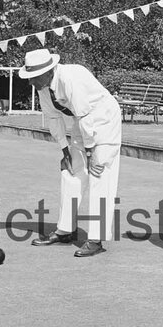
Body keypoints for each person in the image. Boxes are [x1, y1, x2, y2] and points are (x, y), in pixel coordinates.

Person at [18, 48, 122, 258]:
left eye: (33, 78)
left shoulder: (71, 78)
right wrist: (64, 150)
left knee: (99, 175)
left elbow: (85, 114)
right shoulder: (43, 86)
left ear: (48, 71)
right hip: (82, 122)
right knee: (71, 172)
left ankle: (95, 239)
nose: (30, 82)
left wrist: (92, 152)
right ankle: (65, 230)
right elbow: (54, 118)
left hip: (103, 121)